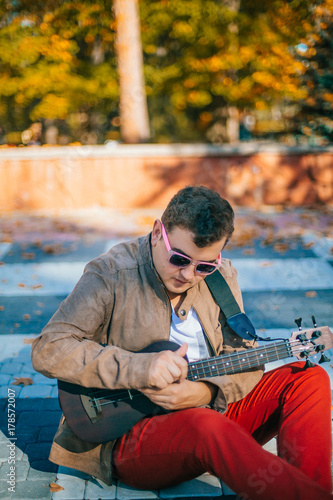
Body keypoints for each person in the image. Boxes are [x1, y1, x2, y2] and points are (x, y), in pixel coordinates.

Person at [31, 186, 332, 500]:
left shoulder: (222, 275)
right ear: (157, 233)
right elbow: (48, 348)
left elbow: (243, 356)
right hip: (132, 436)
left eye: (204, 266)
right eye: (179, 258)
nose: (189, 274)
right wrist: (138, 367)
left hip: (211, 415)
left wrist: (206, 392)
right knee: (206, 425)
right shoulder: (111, 274)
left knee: (308, 378)